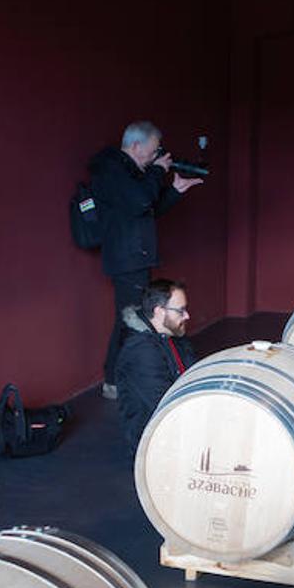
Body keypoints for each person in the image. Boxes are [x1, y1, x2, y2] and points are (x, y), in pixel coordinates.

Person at [89, 121, 202, 400]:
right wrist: (157, 170)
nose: (155, 157)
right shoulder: (111, 168)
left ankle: (118, 378)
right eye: (153, 152)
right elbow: (141, 200)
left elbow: (147, 208)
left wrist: (175, 190)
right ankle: (114, 380)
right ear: (136, 146)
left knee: (131, 316)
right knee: (129, 318)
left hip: (135, 257)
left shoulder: (131, 172)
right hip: (126, 259)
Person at [114, 279, 196, 453]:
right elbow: (164, 403)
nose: (187, 316)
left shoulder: (172, 332)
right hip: (154, 440)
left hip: (179, 417)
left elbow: (194, 371)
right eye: (181, 310)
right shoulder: (140, 351)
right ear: (159, 312)